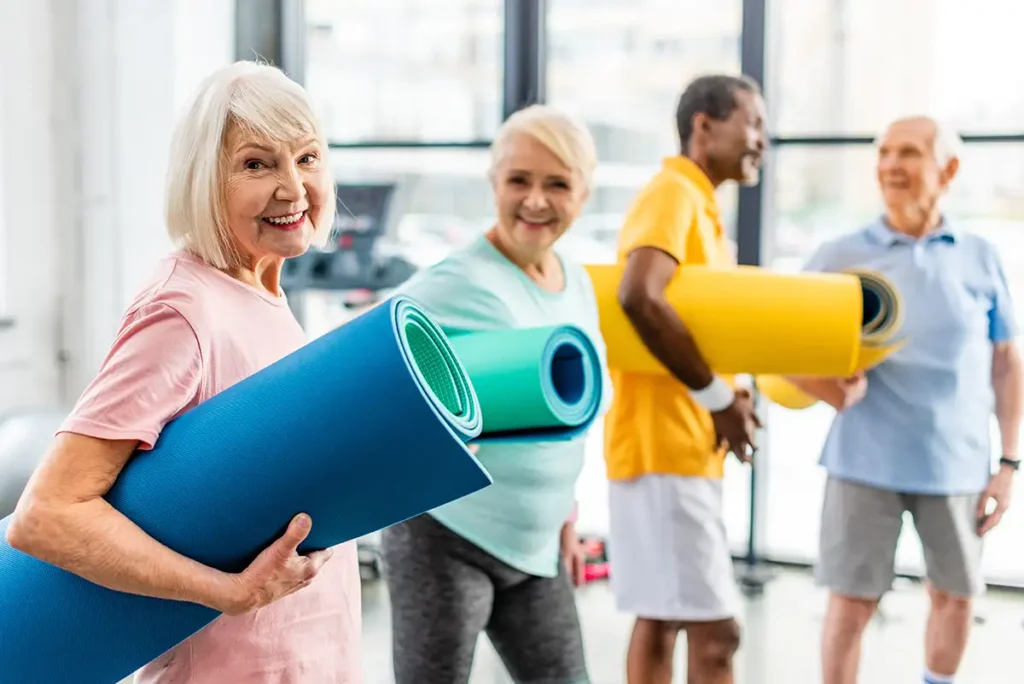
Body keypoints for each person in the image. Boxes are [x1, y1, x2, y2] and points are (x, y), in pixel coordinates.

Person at [5, 61, 363, 683]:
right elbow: (50, 514)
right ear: (204, 179)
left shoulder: (260, 294)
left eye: (306, 158)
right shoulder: (183, 309)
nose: (293, 188)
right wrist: (226, 591)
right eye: (257, 164)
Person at [379, 103, 611, 684]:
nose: (535, 200)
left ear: (583, 194)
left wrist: (567, 510)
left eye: (556, 184)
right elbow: (368, 364)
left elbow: (571, 412)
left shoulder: (575, 280)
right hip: (447, 538)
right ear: (494, 183)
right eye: (518, 181)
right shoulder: (454, 282)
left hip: (536, 547)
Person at [787, 115, 1021, 684]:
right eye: (885, 152)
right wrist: (829, 391)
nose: (891, 165)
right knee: (851, 604)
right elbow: (784, 349)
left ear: (949, 169)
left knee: (955, 596)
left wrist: (1009, 462)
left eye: (909, 153)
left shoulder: (981, 256)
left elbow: (1005, 363)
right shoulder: (839, 254)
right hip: (864, 461)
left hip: (957, 463)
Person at [604, 74, 768, 684]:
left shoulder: (696, 204)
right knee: (718, 633)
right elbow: (638, 297)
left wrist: (731, 390)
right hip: (663, 449)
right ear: (704, 124)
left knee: (659, 619)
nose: (763, 142)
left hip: (673, 447)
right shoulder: (673, 193)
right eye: (753, 123)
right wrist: (717, 396)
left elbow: (687, 323)